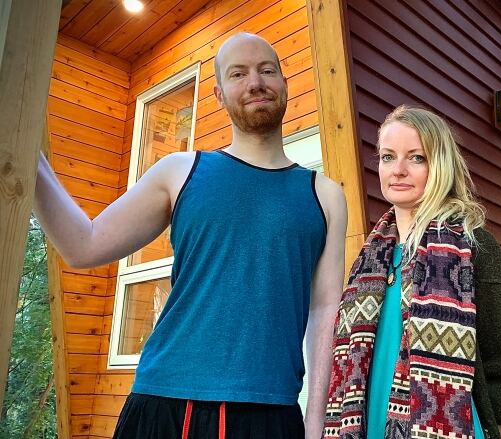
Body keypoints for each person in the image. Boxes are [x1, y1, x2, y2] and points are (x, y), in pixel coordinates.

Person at [34, 32, 346, 439]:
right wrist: (27, 156)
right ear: (218, 94)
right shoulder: (180, 171)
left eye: (266, 70)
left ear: (284, 83)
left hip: (271, 414)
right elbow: (83, 245)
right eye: (238, 73)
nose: (255, 81)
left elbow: (323, 311)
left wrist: (316, 420)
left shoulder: (325, 195)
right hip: (163, 405)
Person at [322, 106, 501, 439]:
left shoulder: (473, 248)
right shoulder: (371, 257)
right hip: (367, 423)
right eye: (388, 157)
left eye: (416, 158)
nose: (399, 170)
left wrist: (496, 414)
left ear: (440, 165)